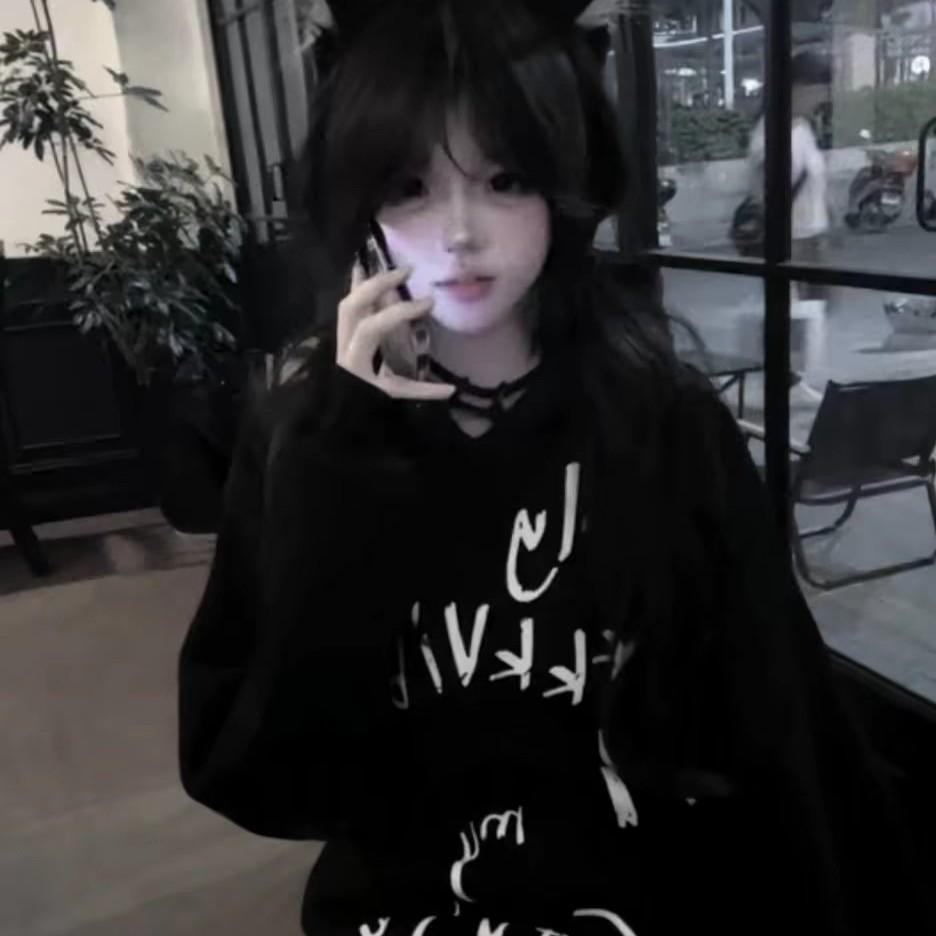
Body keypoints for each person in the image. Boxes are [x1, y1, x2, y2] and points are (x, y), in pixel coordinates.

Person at [177, 3, 931, 935]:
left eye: (504, 179)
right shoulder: (305, 445)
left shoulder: (663, 428)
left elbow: (775, 730)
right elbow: (258, 773)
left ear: (564, 185)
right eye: (409, 185)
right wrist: (341, 485)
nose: (459, 232)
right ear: (360, 205)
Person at [747, 50, 832, 399]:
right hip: (790, 237)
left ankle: (798, 381)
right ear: (798, 87)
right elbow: (768, 190)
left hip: (811, 234)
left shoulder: (802, 128)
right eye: (819, 89)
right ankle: (789, 383)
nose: (823, 98)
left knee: (811, 312)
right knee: (795, 313)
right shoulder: (772, 132)